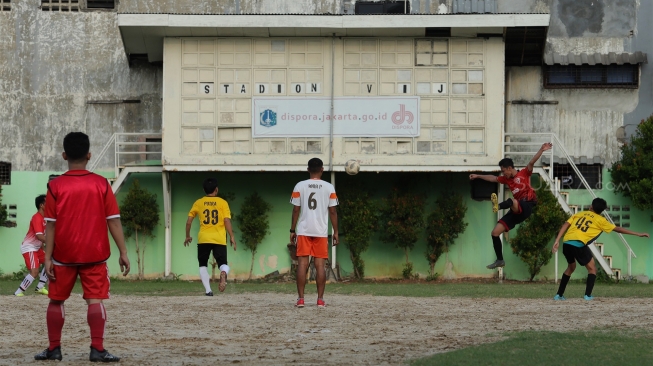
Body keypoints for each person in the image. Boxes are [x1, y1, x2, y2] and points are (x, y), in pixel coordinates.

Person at [35, 132, 130, 362]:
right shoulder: (101, 184)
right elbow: (114, 220)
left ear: (64, 155)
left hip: (62, 256)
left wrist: (47, 258)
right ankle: (97, 349)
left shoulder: (55, 186)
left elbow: (51, 225)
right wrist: (123, 252)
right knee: (94, 300)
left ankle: (54, 349)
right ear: (89, 155)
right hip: (95, 254)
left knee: (56, 300)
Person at [469, 142, 552, 269]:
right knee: (495, 233)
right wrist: (478, 176)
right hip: (516, 209)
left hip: (527, 206)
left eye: (503, 171)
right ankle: (500, 260)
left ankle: (498, 206)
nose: (503, 174)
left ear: (509, 168)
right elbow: (492, 178)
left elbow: (531, 162)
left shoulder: (524, 173)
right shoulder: (507, 179)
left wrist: (541, 149)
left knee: (511, 201)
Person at [552, 198, 649, 301]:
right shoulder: (601, 220)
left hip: (567, 243)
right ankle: (587, 296)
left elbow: (566, 224)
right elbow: (618, 229)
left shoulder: (580, 214)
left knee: (571, 267)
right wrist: (638, 234)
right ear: (602, 210)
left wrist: (557, 240)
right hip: (579, 244)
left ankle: (559, 295)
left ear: (591, 206)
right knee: (592, 269)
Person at [289, 158, 339, 308]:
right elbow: (332, 211)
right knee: (320, 266)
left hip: (304, 230)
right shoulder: (329, 187)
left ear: (308, 169)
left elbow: (296, 209)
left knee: (302, 264)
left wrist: (292, 230)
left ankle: (301, 299)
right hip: (321, 231)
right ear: (322, 169)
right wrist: (336, 231)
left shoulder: (300, 186)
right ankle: (320, 300)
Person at [184, 178, 236, 296]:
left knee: (203, 264)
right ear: (216, 189)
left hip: (204, 238)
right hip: (219, 239)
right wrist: (231, 236)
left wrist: (187, 236)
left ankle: (208, 291)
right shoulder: (223, 203)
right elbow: (226, 220)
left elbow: (188, 222)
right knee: (223, 264)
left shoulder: (199, 202)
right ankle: (223, 272)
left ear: (204, 190)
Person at [14, 195, 49, 297]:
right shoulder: (37, 217)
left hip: (37, 248)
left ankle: (40, 287)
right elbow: (39, 236)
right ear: (41, 205)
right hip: (29, 247)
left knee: (50, 264)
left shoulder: (45, 219)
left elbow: (42, 237)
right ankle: (18, 292)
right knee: (34, 272)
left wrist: (44, 249)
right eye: (48, 203)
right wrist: (53, 243)